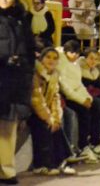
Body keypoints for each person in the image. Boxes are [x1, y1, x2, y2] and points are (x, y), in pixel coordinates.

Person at [0, 0, 35, 185]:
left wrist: (24, 67)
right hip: (2, 76)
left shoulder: (21, 20)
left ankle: (7, 171)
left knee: (8, 128)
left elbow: (29, 50)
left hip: (14, 82)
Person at [57, 40, 100, 164]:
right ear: (65, 52)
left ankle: (95, 143)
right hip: (67, 97)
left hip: (77, 95)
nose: (74, 55)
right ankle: (83, 145)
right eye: (72, 52)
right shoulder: (61, 65)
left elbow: (79, 84)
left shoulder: (75, 64)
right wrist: (82, 101)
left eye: (76, 53)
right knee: (83, 112)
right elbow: (65, 88)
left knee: (97, 105)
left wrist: (87, 98)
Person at [29, 47, 76, 176]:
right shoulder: (36, 73)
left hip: (45, 111)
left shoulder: (54, 74)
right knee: (43, 126)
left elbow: (55, 98)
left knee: (57, 126)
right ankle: (41, 165)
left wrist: (55, 117)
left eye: (55, 58)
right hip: (31, 111)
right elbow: (36, 99)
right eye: (48, 57)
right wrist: (48, 118)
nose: (51, 60)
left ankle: (61, 161)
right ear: (41, 58)